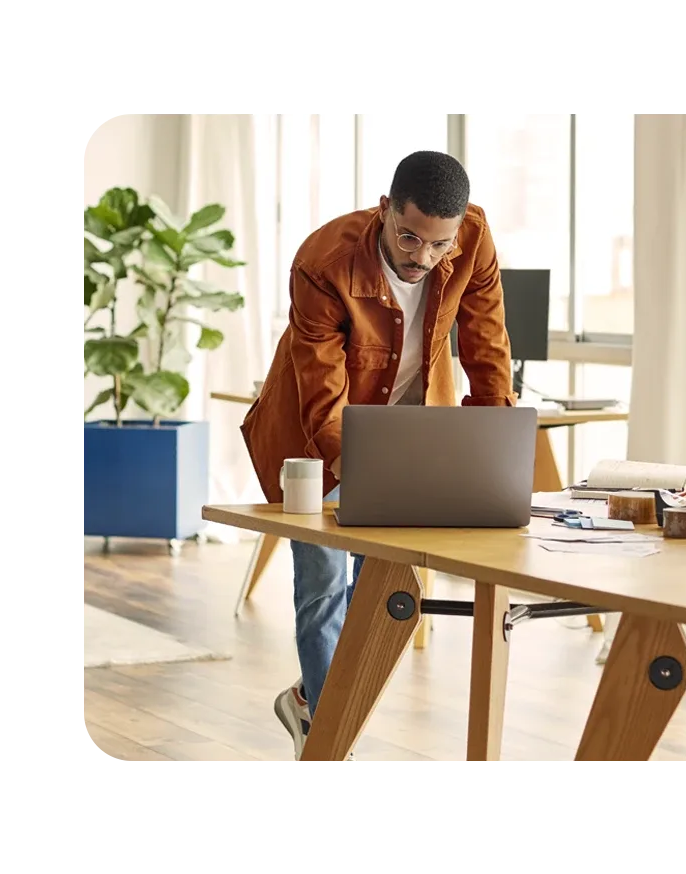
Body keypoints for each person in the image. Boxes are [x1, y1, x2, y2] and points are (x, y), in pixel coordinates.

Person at [241, 150, 516, 759]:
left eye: (438, 245)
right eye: (409, 236)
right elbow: (322, 396)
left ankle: (315, 704)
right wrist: (370, 473)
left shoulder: (473, 238)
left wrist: (492, 444)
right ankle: (328, 743)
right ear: (385, 208)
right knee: (322, 582)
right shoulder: (324, 261)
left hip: (413, 430)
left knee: (392, 595)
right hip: (319, 442)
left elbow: (486, 338)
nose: (423, 257)